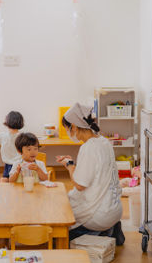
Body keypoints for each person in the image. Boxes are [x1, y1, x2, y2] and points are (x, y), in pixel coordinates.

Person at [56, 103, 124, 244]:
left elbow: (80, 185)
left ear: (73, 126)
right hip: (115, 209)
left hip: (99, 215)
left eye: (68, 128)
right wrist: (73, 165)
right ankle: (110, 228)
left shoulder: (88, 148)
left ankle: (100, 233)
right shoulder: (104, 142)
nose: (69, 132)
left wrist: (69, 166)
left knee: (60, 232)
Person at [0, 111, 23, 182]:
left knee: (7, 180)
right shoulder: (22, 136)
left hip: (8, 163)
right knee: (13, 180)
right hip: (19, 163)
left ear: (7, 122)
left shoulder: (2, 135)